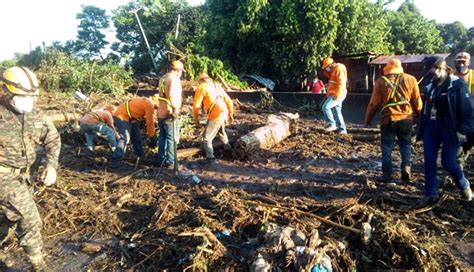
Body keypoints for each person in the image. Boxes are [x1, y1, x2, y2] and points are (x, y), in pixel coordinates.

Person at [0, 67, 61, 270]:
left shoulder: (35, 114)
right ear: (7, 92)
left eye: (32, 97)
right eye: (23, 96)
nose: (29, 101)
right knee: (30, 218)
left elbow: (53, 138)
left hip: (25, 177)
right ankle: (38, 265)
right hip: (3, 178)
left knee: (7, 219)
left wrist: (50, 165)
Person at [417, 56, 473, 203]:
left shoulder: (457, 85)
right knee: (429, 160)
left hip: (450, 128)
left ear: (442, 67)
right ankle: (430, 194)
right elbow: (426, 110)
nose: (432, 74)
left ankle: (464, 185)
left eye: (434, 70)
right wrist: (420, 128)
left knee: (448, 162)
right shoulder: (430, 86)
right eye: (429, 72)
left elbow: (469, 111)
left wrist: (463, 130)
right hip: (432, 126)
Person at [365, 58, 422, 182]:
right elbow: (417, 101)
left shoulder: (381, 81)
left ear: (387, 68)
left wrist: (368, 119)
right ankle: (406, 167)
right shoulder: (411, 79)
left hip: (388, 119)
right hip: (406, 118)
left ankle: (387, 176)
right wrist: (420, 114)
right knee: (406, 145)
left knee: (387, 148)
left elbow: (374, 104)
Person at [193, 73, 234, 164]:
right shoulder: (217, 86)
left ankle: (210, 158)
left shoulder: (202, 86)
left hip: (215, 115)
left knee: (206, 138)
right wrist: (230, 114)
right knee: (222, 132)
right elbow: (229, 101)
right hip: (223, 112)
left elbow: (196, 104)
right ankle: (228, 150)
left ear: (201, 80)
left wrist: (196, 118)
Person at [109, 97, 157, 169]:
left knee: (136, 136)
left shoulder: (146, 101)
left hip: (131, 118)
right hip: (121, 116)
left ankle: (141, 156)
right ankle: (115, 163)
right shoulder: (149, 105)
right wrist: (153, 137)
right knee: (125, 138)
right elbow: (149, 123)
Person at [156, 60, 184, 168]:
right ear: (178, 70)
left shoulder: (163, 78)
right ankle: (171, 162)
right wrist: (176, 108)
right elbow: (172, 95)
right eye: (181, 71)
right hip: (169, 112)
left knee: (162, 137)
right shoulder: (174, 79)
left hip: (160, 111)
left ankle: (160, 159)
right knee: (172, 138)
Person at [453, 52, 474, 169]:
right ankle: (458, 168)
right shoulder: (450, 76)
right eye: (458, 60)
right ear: (455, 62)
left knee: (469, 141)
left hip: (472, 115)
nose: (461, 62)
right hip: (456, 116)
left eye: (464, 60)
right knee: (459, 143)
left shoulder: (473, 75)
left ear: (469, 62)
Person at [321, 57, 348, 134]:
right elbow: (330, 78)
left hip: (338, 93)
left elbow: (341, 82)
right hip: (335, 93)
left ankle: (331, 124)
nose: (326, 69)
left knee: (325, 107)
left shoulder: (338, 68)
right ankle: (342, 130)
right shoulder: (333, 70)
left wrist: (337, 94)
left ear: (330, 65)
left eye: (326, 67)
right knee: (337, 111)